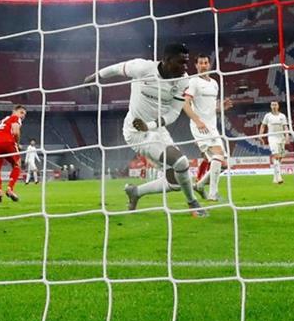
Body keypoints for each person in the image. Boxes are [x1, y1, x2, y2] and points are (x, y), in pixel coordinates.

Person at [84, 43, 207, 217]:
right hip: (135, 133)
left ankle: (135, 192)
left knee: (175, 182)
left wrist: (150, 125)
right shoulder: (142, 68)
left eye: (186, 63)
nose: (184, 67)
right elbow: (117, 68)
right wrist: (94, 76)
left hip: (156, 129)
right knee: (181, 163)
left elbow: (173, 113)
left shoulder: (183, 80)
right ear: (166, 60)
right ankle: (193, 204)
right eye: (180, 62)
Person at [183, 53, 233, 201]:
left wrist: (221, 107)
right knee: (218, 155)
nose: (203, 65)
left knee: (224, 164)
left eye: (206, 62)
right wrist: (198, 121)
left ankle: (199, 185)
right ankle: (213, 193)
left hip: (212, 126)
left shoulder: (214, 83)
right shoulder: (194, 82)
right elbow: (185, 104)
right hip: (200, 126)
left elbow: (211, 108)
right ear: (196, 66)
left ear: (209, 65)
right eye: (200, 63)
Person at [0, 105, 27, 202]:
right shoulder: (15, 118)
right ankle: (10, 189)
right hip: (7, 142)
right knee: (17, 165)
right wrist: (17, 145)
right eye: (21, 112)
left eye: (25, 114)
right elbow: (16, 132)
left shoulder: (1, 122)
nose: (23, 116)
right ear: (14, 111)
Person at [259, 101, 289, 184]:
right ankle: (279, 177)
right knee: (276, 156)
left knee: (280, 157)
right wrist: (260, 135)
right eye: (272, 105)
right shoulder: (267, 116)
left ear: (278, 106)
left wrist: (287, 136)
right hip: (272, 137)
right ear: (270, 106)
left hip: (281, 138)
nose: (274, 106)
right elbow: (263, 125)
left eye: (275, 104)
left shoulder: (282, 116)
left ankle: (275, 177)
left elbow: (285, 126)